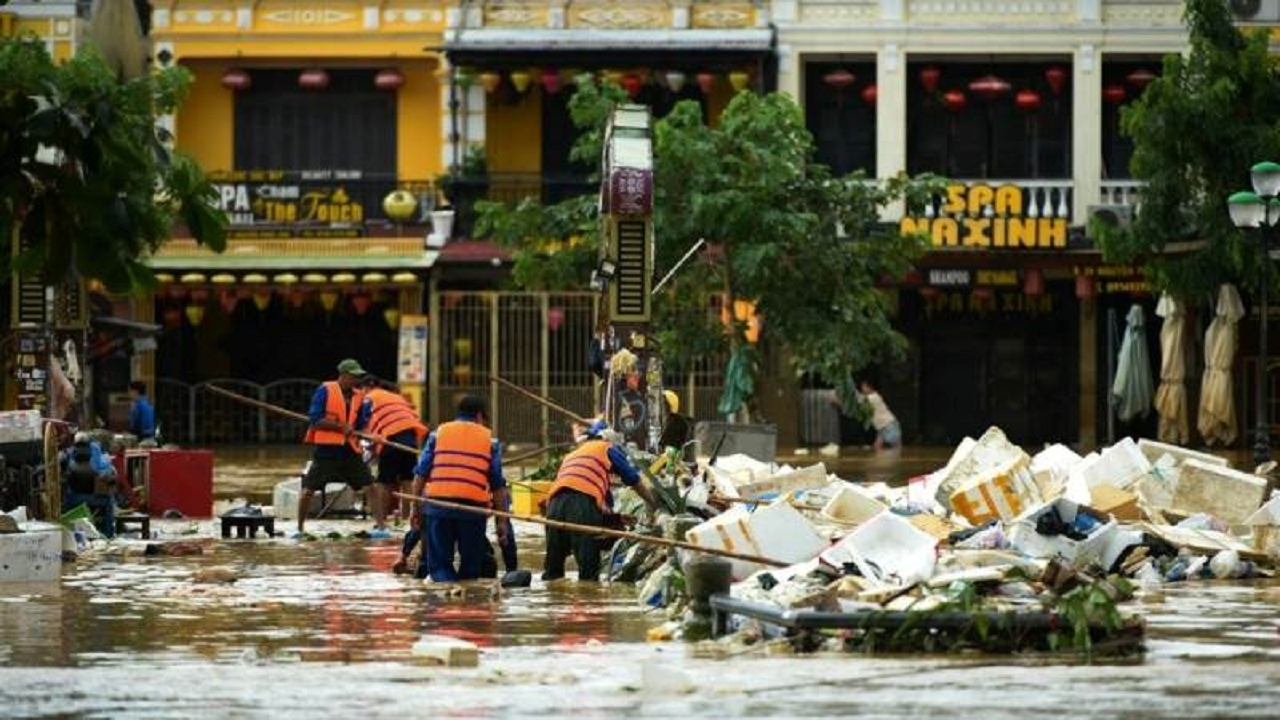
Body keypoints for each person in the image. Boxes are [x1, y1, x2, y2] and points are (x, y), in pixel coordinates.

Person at [408, 396, 510, 582]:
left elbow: (420, 476)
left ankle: (447, 598)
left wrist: (414, 509)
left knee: (439, 566)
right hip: (472, 511)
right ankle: (466, 605)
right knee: (471, 569)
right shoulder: (490, 441)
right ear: (479, 416)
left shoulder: (437, 434)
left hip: (438, 507)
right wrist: (502, 521)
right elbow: (498, 487)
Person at [542, 420, 657, 582]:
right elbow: (633, 479)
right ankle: (590, 600)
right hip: (580, 502)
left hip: (553, 504)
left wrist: (617, 518)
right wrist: (654, 504)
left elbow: (599, 506)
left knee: (553, 570)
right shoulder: (607, 448)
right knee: (589, 570)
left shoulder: (574, 454)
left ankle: (553, 599)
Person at [299, 359, 372, 534]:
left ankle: (381, 525)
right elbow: (315, 419)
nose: (357, 381)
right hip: (327, 449)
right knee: (309, 489)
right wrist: (340, 427)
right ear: (344, 375)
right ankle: (300, 527)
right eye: (354, 377)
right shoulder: (325, 390)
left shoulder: (358, 396)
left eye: (359, 377)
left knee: (370, 486)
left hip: (349, 449)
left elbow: (360, 422)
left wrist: (365, 430)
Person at [362, 376, 428, 530]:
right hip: (410, 436)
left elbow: (364, 426)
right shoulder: (396, 397)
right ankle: (407, 520)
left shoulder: (367, 398)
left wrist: (372, 448)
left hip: (391, 436)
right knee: (407, 479)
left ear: (365, 388)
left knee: (385, 482)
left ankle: (381, 521)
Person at [62, 432, 120, 539]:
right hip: (91, 498)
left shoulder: (68, 457)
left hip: (72, 500)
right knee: (108, 501)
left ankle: (68, 531)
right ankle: (108, 534)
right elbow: (106, 478)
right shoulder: (93, 459)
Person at [858, 380, 901, 451]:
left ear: (870, 387)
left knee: (894, 451)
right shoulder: (871, 397)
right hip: (882, 428)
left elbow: (858, 402)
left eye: (863, 387)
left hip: (889, 426)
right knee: (877, 448)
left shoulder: (873, 397)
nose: (862, 388)